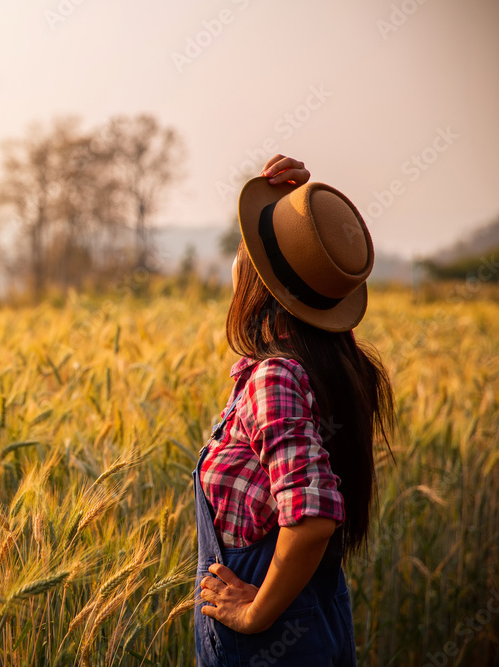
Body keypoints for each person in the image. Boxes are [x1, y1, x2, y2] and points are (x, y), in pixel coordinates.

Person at [193, 155, 395, 665]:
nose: (238, 257)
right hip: (316, 623)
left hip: (272, 646)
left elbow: (313, 516)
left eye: (249, 251)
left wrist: (257, 613)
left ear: (261, 284)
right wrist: (301, 219)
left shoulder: (275, 379)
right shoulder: (329, 366)